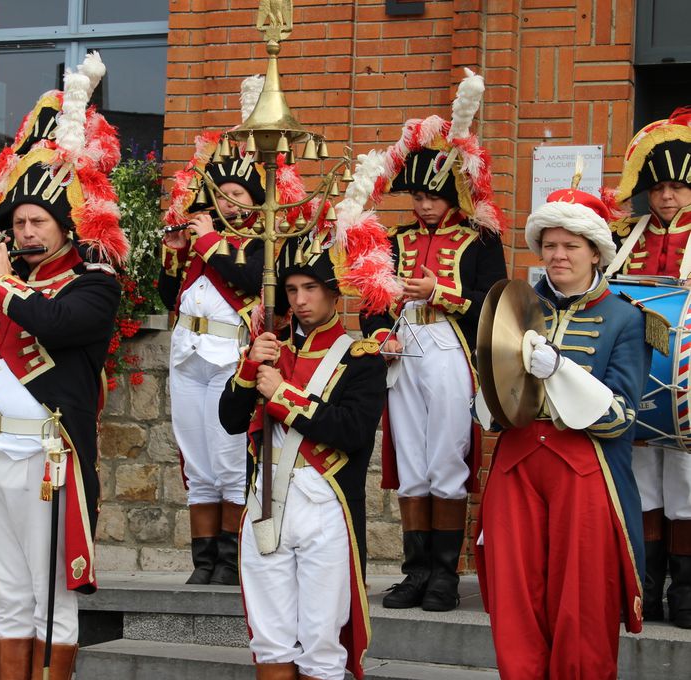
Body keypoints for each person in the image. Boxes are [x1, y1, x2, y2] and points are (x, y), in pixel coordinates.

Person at [0, 52, 125, 680]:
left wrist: (2, 284)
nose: (27, 231)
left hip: (50, 459)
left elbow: (62, 326)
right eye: (19, 222)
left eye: (39, 221)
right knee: (10, 594)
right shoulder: (6, 280)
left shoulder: (93, 280)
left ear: (65, 227)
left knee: (51, 600)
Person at [476, 183, 650, 678]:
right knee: (516, 602)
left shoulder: (626, 319)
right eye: (549, 245)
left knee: (583, 604)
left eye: (571, 245)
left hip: (583, 467)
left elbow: (620, 416)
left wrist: (560, 371)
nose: (558, 255)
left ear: (595, 251)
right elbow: (490, 398)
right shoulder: (517, 305)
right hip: (517, 461)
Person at [218, 216, 392, 680]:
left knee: (321, 642)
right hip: (267, 501)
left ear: (335, 294)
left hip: (324, 505)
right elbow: (230, 420)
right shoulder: (270, 350)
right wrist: (249, 368)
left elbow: (352, 432)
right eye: (292, 289)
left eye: (310, 288)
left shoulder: (362, 358)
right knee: (271, 640)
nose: (299, 300)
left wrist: (282, 396)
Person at [361, 69, 507, 612]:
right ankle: (415, 571)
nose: (422, 206)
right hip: (405, 352)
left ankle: (446, 574)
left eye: (432, 196)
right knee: (413, 462)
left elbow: (495, 308)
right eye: (417, 195)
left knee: (447, 459)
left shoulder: (481, 239)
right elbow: (372, 303)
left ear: (453, 194)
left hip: (451, 349)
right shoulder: (392, 240)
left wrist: (441, 292)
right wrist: (380, 337)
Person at [159, 75, 280, 585]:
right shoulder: (200, 239)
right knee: (197, 464)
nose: (227, 203)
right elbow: (169, 298)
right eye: (221, 194)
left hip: (230, 360)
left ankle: (231, 561)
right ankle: (202, 561)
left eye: (236, 195)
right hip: (188, 356)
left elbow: (249, 279)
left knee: (231, 461)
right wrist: (174, 252)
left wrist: (208, 241)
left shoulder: (259, 243)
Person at [608, 107, 691, 627]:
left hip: (685, 388)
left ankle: (685, 588)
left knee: (685, 483)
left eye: (678, 187)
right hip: (635, 383)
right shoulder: (623, 234)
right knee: (642, 485)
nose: (666, 197)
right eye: (658, 187)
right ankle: (645, 582)